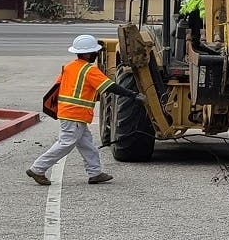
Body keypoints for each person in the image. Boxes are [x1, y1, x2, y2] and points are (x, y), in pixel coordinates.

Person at [26, 33, 147, 186]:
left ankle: (95, 173)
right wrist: (132, 95)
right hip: (75, 115)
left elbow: (56, 89)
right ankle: (37, 169)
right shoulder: (89, 70)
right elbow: (109, 86)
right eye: (94, 52)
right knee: (65, 144)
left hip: (70, 113)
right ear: (88, 53)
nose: (96, 55)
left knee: (88, 146)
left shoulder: (68, 67)